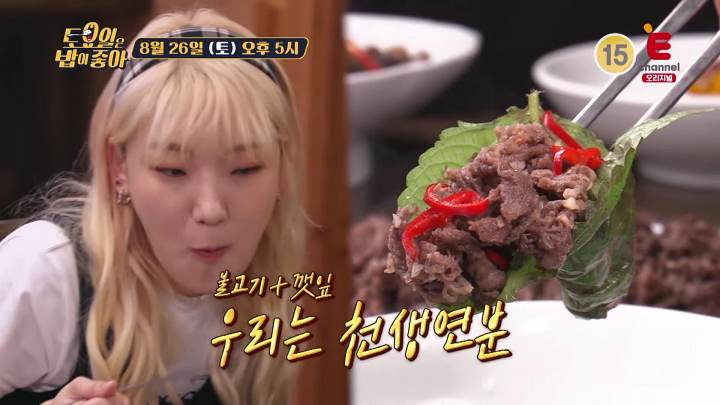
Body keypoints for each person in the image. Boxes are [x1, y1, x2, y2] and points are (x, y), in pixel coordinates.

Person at [0, 8, 305, 405]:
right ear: (119, 167)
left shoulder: (269, 273)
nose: (211, 210)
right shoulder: (45, 272)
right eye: (173, 170)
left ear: (281, 169)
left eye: (245, 169)